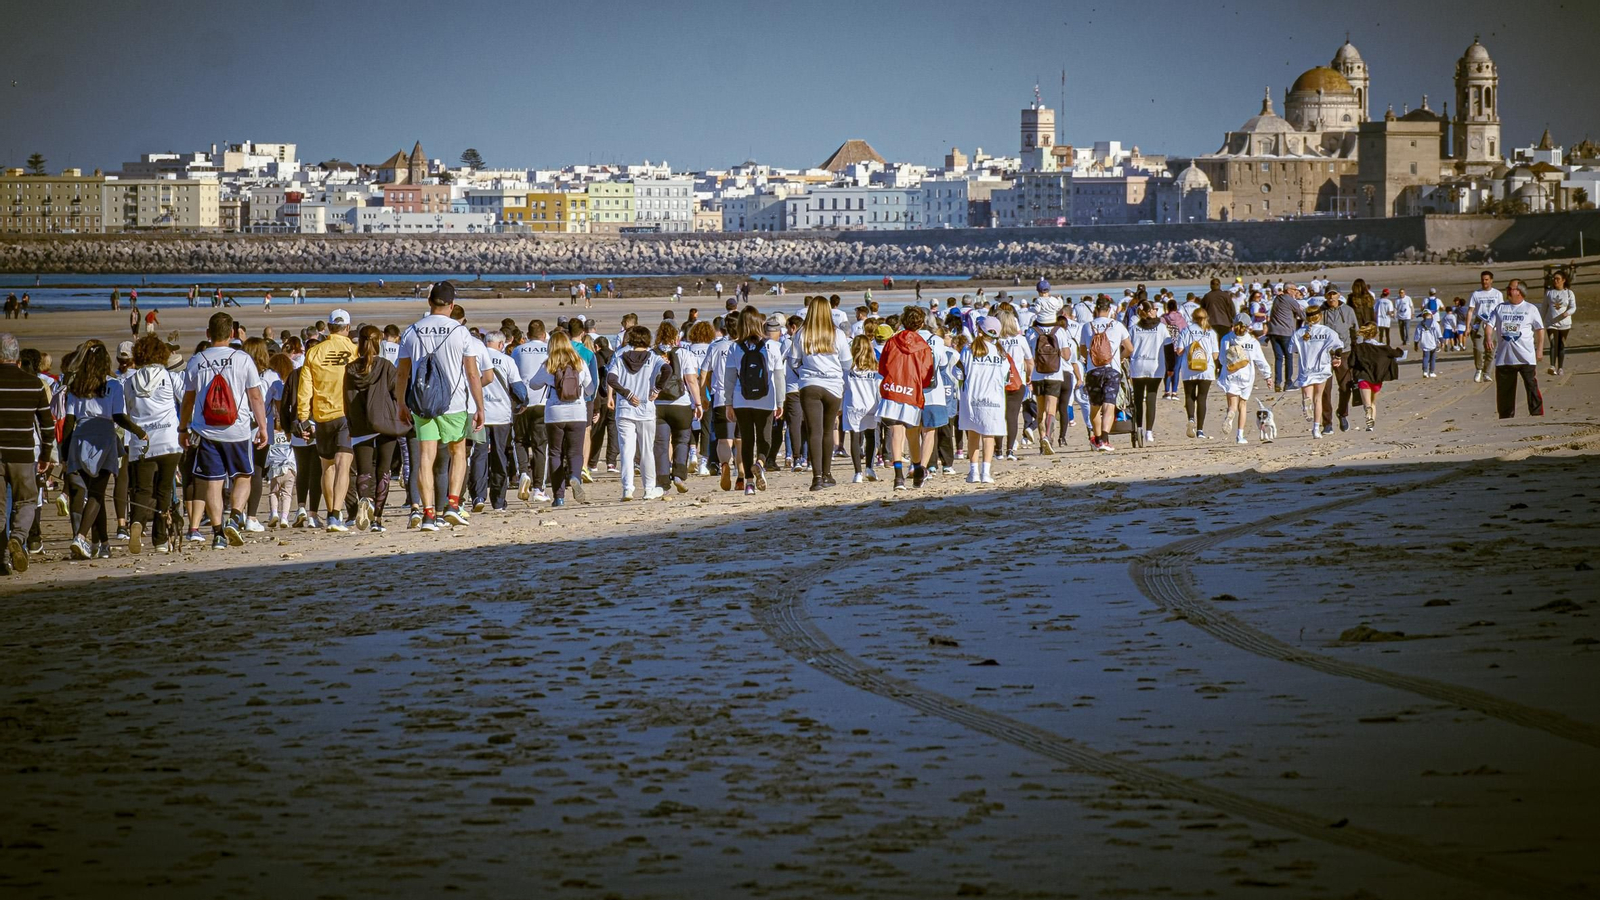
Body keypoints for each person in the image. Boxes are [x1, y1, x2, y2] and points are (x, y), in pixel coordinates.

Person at [395, 282, 485, 531]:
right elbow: (472, 373)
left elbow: (402, 374)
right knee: (458, 453)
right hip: (454, 403)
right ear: (452, 304)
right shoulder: (460, 332)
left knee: (425, 457)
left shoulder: (411, 331)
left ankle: (427, 513)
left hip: (421, 403)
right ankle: (453, 505)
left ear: (429, 302)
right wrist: (480, 407)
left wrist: (401, 403)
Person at [182, 313, 269, 549]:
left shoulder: (195, 361)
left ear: (208, 334)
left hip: (206, 431)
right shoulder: (242, 359)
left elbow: (187, 401)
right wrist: (262, 427)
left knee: (213, 482)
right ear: (231, 334)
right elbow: (255, 396)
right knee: (243, 476)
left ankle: (218, 533)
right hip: (237, 430)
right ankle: (236, 515)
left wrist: (182, 428)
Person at [61, 341, 147, 559]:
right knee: (97, 494)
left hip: (79, 438)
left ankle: (102, 543)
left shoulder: (76, 386)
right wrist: (138, 431)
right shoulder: (114, 385)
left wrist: (64, 452)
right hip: (104, 438)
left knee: (93, 494)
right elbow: (118, 416)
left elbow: (69, 421)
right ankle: (81, 537)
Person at [296, 308, 357, 532]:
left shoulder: (314, 352)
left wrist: (303, 416)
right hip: (345, 415)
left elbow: (305, 387)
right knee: (343, 465)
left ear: (329, 328)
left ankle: (333, 512)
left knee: (327, 466)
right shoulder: (354, 351)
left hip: (322, 415)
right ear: (347, 328)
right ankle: (335, 514)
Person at [123, 333, 182, 554]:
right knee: (164, 491)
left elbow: (128, 411)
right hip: (169, 439)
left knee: (142, 490)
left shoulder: (129, 382)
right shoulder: (168, 377)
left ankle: (137, 522)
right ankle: (160, 540)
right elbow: (186, 398)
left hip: (142, 442)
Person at [0, 333, 53, 573]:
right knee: (27, 501)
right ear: (18, 360)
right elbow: (47, 425)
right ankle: (18, 537)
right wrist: (46, 456)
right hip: (22, 454)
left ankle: (2, 558)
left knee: (0, 509)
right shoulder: (34, 384)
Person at [345, 326, 404, 531]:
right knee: (384, 471)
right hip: (385, 423)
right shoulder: (386, 366)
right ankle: (377, 518)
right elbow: (397, 394)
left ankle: (365, 500)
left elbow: (347, 399)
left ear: (360, 343)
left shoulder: (351, 369)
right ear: (378, 342)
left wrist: (351, 423)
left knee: (364, 471)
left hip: (361, 425)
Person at [789, 297, 850, 490]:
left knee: (813, 431)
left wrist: (805, 368)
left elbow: (792, 361)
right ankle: (827, 473)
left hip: (810, 384)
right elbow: (847, 363)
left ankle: (816, 477)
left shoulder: (802, 334)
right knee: (827, 429)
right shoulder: (837, 334)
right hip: (833, 385)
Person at [724, 309, 785, 496]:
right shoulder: (772, 346)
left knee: (747, 439)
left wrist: (728, 403)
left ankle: (749, 484)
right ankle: (759, 464)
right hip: (766, 399)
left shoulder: (734, 347)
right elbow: (779, 377)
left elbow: (730, 378)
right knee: (765, 438)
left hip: (741, 398)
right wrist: (781, 401)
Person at [530, 331, 593, 507]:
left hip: (554, 414)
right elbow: (590, 388)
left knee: (555, 453)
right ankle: (574, 476)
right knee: (575, 451)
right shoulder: (579, 363)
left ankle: (559, 497)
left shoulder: (548, 365)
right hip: (577, 413)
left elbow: (533, 384)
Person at [876, 306, 935, 490]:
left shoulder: (892, 341)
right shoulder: (924, 346)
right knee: (911, 434)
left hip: (893, 388)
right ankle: (916, 468)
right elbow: (927, 375)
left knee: (897, 433)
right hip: (911, 391)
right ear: (921, 324)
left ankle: (899, 477)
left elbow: (882, 367)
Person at [609, 325, 667, 501]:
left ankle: (627, 488)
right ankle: (649, 489)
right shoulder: (653, 357)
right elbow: (668, 370)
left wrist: (626, 394)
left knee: (627, 450)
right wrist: (657, 388)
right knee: (647, 450)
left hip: (625, 409)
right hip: (646, 410)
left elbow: (611, 379)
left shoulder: (619, 356)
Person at [959, 316, 1010, 482]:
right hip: (994, 400)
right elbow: (1005, 378)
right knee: (989, 436)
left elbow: (958, 372)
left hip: (972, 398)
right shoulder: (1001, 353)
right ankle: (986, 472)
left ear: (979, 331)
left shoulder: (968, 350)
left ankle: (973, 472)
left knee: (973, 434)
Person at [473, 330, 520, 512]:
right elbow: (518, 388)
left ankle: (478, 495)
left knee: (479, 455)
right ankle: (499, 500)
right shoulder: (507, 361)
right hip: (501, 416)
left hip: (480, 413)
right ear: (501, 345)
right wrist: (522, 403)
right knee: (500, 456)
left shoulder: (476, 359)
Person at [1485, 280, 1545, 419]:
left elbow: (1539, 329)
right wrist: (1488, 337)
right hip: (1505, 358)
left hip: (1526, 357)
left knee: (1531, 386)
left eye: (1510, 288)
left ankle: (1536, 413)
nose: (1507, 290)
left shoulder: (1530, 309)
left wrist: (1540, 349)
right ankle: (1506, 417)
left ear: (1519, 291)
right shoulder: (1500, 308)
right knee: (1504, 391)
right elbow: (1489, 325)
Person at [653, 321, 700, 493]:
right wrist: (699, 402)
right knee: (681, 440)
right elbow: (691, 380)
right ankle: (679, 475)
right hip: (681, 403)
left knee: (661, 444)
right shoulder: (684, 353)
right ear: (676, 335)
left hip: (658, 404)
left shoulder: (653, 354)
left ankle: (663, 482)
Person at [1217, 313, 1273, 444]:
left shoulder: (1226, 338)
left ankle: (1230, 414)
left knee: (1232, 405)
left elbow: (1221, 359)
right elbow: (1261, 361)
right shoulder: (1253, 342)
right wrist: (1267, 376)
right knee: (1243, 405)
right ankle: (1240, 436)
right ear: (1248, 326)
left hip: (1230, 375)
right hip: (1246, 377)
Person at [1029, 305, 1077, 456]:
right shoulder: (1060, 331)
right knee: (1051, 409)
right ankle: (1048, 438)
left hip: (1037, 375)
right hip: (1055, 374)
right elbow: (1067, 355)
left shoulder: (1031, 332)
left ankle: (1042, 438)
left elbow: (1029, 356)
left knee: (1040, 410)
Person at [1291, 304, 1345, 440]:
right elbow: (1339, 346)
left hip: (1306, 368)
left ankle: (1306, 405)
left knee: (1308, 396)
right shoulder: (1327, 331)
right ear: (1319, 316)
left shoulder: (1299, 333)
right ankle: (1316, 429)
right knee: (1318, 399)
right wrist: (1337, 357)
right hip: (1322, 368)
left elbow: (1292, 349)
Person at [512, 320, 551, 503]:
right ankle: (538, 488)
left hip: (522, 401)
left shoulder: (518, 350)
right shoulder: (549, 350)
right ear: (544, 335)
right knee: (540, 446)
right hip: (542, 402)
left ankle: (523, 472)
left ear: (527, 335)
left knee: (520, 441)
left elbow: (512, 375)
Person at [1349, 324, 1405, 431]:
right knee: (1373, 402)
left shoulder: (1358, 348)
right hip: (1377, 379)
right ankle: (1371, 423)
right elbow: (1397, 353)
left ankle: (1369, 423)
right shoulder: (1382, 347)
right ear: (1376, 334)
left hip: (1363, 378)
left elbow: (1351, 362)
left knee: (1367, 404)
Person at [1127, 302, 1168, 447]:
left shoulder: (1134, 328)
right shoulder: (1162, 328)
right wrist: (1171, 367)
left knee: (1138, 398)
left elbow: (1128, 347)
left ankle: (1138, 427)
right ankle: (1149, 431)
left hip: (1137, 365)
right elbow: (1168, 347)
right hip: (1155, 366)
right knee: (1151, 397)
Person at [843, 335, 882, 483]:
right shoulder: (876, 368)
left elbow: (844, 387)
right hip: (871, 405)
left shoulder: (848, 369)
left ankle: (857, 472)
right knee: (871, 436)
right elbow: (879, 389)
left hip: (854, 405)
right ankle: (869, 468)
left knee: (855, 437)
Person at [1174, 308, 1218, 440]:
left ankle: (1191, 418)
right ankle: (1200, 430)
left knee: (1189, 395)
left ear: (1193, 317)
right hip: (1206, 368)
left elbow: (1179, 351)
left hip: (1189, 368)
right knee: (1202, 398)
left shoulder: (1186, 330)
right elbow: (1215, 355)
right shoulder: (1210, 332)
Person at [995, 308, 1032, 459]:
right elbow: (1030, 361)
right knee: (1012, 417)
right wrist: (1029, 377)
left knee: (998, 416)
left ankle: (998, 450)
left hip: (997, 383)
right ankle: (1009, 449)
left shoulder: (995, 341)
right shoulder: (1020, 340)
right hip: (1017, 382)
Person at [1464, 270, 1504, 383]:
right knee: (1478, 348)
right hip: (1479, 322)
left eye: (1486, 279)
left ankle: (1487, 373)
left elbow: (1501, 310)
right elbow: (1470, 311)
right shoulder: (1476, 294)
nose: (1484, 282)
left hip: (1493, 323)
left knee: (1490, 351)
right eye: (1482, 279)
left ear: (1491, 280)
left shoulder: (1497, 294)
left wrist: (1502, 326)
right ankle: (1479, 369)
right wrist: (1467, 327)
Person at [1265, 284, 1305, 391]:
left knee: (1278, 358)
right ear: (1288, 290)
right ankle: (1288, 383)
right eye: (1294, 290)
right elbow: (1302, 314)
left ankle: (1278, 382)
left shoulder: (1277, 299)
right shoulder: (1289, 300)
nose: (1296, 291)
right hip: (1285, 333)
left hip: (1273, 332)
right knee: (1288, 357)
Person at [1542, 271, 1575, 376]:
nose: (1555, 281)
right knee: (1552, 344)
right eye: (1554, 279)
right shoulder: (1549, 293)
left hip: (1565, 324)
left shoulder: (1569, 293)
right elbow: (1544, 308)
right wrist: (1539, 322)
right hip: (1551, 324)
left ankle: (1560, 367)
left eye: (1558, 279)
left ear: (1563, 280)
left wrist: (1568, 312)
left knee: (1561, 345)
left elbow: (1573, 307)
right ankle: (1552, 366)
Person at [1199, 277, 1235, 342]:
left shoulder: (1207, 296)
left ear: (1210, 285)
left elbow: (1202, 310)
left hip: (1211, 322)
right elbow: (1232, 310)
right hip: (1225, 323)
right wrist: (1232, 320)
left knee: (1213, 343)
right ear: (1219, 285)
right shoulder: (1225, 295)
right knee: (1224, 343)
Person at [1414, 309, 1443, 378]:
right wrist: (1442, 342)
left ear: (1423, 316)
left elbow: (1417, 336)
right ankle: (1431, 372)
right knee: (1433, 358)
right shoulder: (1435, 323)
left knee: (1425, 357)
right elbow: (1439, 334)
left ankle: (1425, 372)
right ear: (1431, 315)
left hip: (1424, 343)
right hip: (1433, 343)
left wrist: (1416, 344)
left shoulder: (1420, 324)